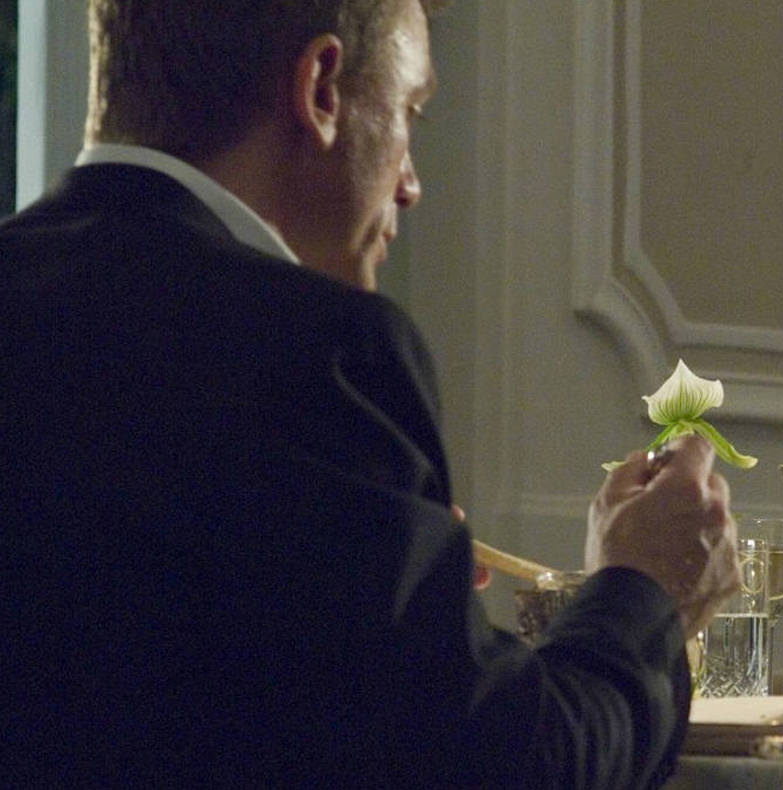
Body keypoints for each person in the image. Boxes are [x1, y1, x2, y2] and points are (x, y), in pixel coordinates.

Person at [0, 1, 738, 787]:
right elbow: (505, 768)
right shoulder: (317, 351)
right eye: (409, 112)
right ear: (321, 90)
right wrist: (645, 591)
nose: (411, 185)